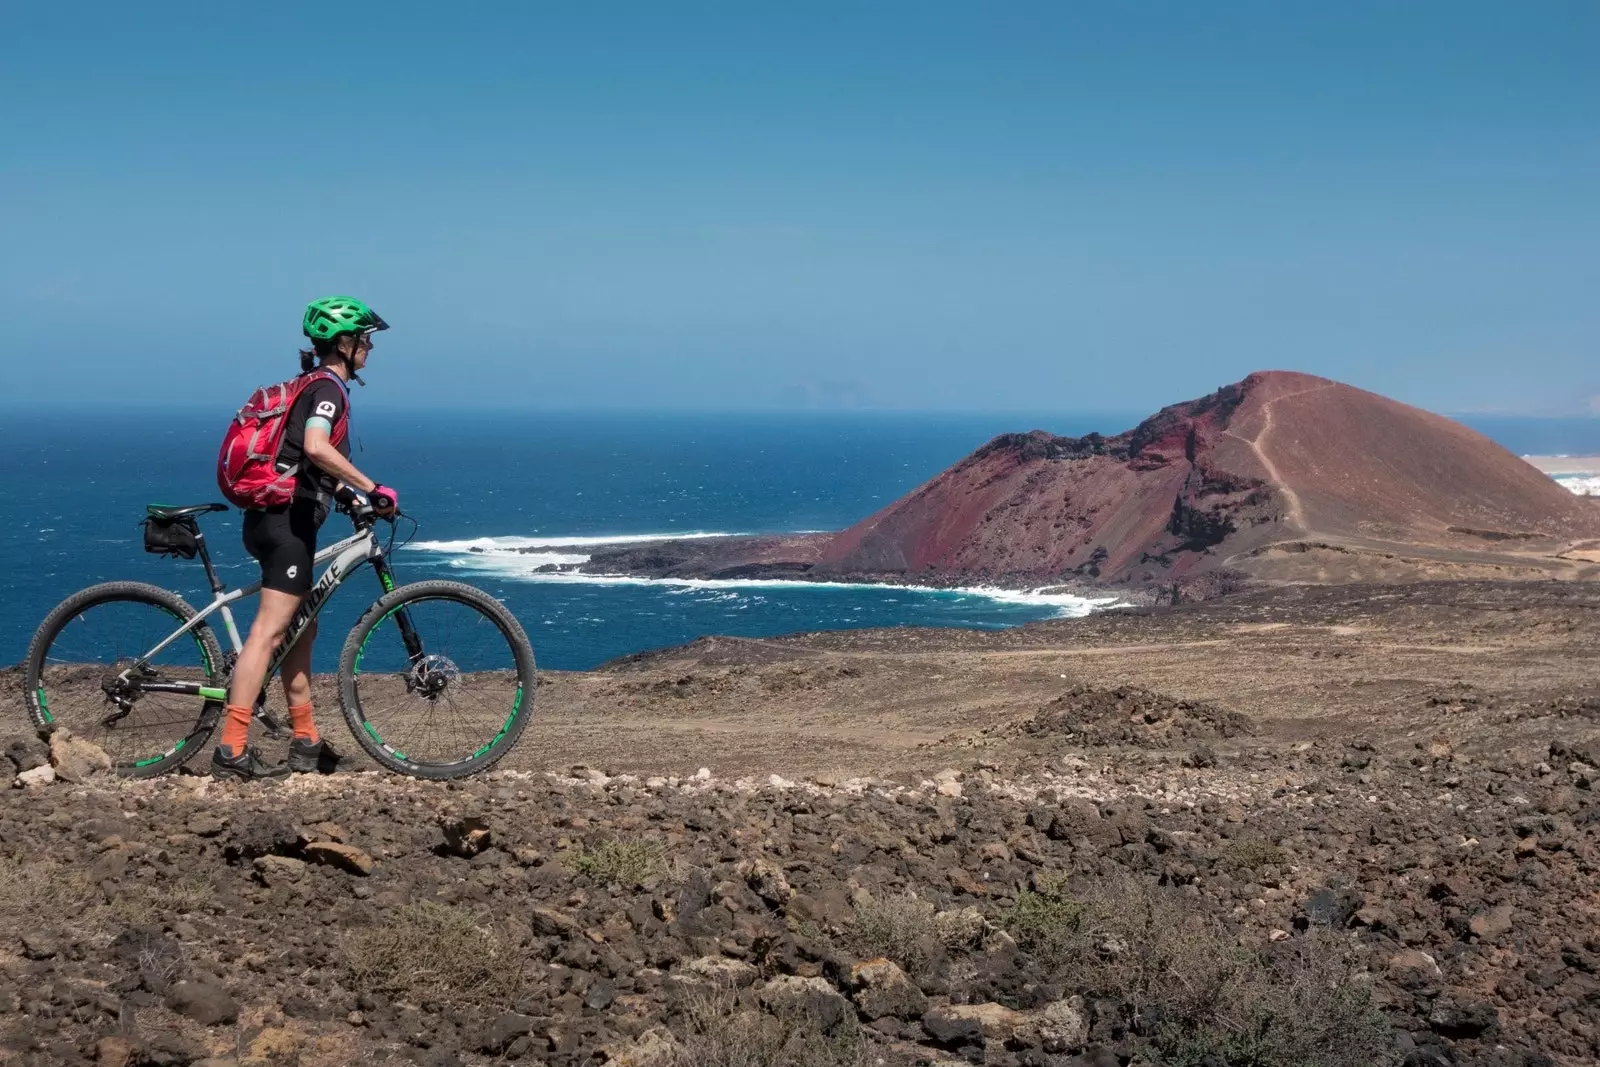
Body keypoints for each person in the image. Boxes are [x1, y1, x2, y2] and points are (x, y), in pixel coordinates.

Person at [213, 296, 398, 780]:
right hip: (286, 525)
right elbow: (316, 447)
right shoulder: (328, 390)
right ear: (344, 342)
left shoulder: (309, 385)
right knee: (269, 632)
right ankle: (231, 749)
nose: (370, 349)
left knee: (301, 627)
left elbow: (301, 458)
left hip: (278, 519)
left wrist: (342, 493)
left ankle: (306, 740)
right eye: (366, 340)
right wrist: (370, 487)